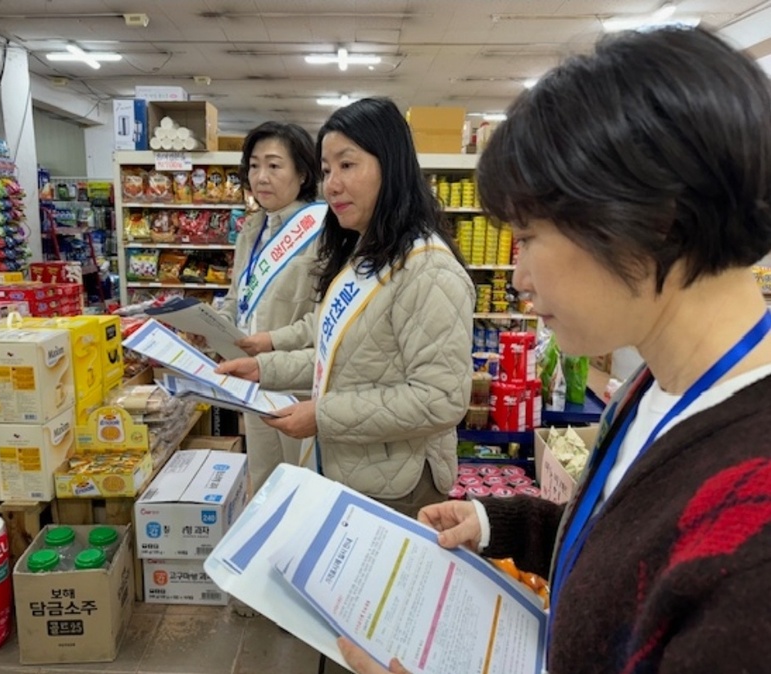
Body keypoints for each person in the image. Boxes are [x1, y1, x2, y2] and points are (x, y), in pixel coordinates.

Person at [338, 26, 771, 674]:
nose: (517, 278)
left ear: (652, 220)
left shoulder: (753, 536)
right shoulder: (660, 384)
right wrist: (502, 526)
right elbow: (629, 548)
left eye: (529, 236)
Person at [217, 97, 475, 516]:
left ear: (390, 166)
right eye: (326, 170)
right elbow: (337, 358)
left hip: (398, 486)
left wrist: (323, 416)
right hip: (352, 471)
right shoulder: (364, 256)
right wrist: (265, 368)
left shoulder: (428, 269)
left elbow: (440, 398)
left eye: (347, 165)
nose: (331, 184)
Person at [217, 121, 324, 491]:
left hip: (300, 383)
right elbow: (237, 297)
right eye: (254, 165)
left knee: (301, 483)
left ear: (303, 173)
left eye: (274, 165)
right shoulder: (251, 230)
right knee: (264, 478)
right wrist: (209, 323)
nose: (261, 176)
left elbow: (324, 318)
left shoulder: (323, 230)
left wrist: (271, 341)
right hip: (254, 379)